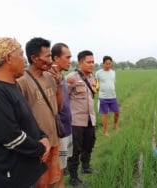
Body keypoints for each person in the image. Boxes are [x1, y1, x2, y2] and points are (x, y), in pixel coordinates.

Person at [0, 37, 50, 188]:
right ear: (9, 57)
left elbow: (27, 120)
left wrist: (43, 137)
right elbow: (11, 136)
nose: (25, 60)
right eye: (21, 54)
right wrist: (41, 148)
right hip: (9, 178)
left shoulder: (12, 86)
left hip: (23, 172)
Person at [16, 37, 64, 188]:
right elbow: (18, 117)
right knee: (40, 182)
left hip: (54, 138)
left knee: (51, 180)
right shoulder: (22, 81)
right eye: (47, 56)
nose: (51, 60)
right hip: (38, 145)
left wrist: (59, 84)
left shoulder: (50, 77)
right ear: (34, 58)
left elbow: (59, 107)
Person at [66, 50, 98, 186]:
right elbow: (63, 100)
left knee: (89, 144)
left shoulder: (92, 78)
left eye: (93, 62)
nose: (92, 65)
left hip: (90, 119)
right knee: (75, 150)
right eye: (88, 62)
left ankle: (86, 167)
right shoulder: (71, 78)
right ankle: (73, 178)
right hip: (76, 121)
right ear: (80, 62)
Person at [51, 43, 73, 188]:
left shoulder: (61, 76)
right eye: (68, 57)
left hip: (66, 127)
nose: (70, 60)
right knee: (57, 169)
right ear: (56, 58)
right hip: (58, 131)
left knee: (62, 167)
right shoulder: (50, 77)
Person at [95, 55, 120, 136]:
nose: (108, 65)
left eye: (110, 64)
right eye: (106, 64)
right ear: (103, 63)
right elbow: (95, 84)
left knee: (117, 112)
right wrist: (97, 88)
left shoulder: (113, 72)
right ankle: (105, 131)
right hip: (103, 97)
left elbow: (113, 82)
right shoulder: (98, 73)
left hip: (113, 96)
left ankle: (115, 125)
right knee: (104, 114)